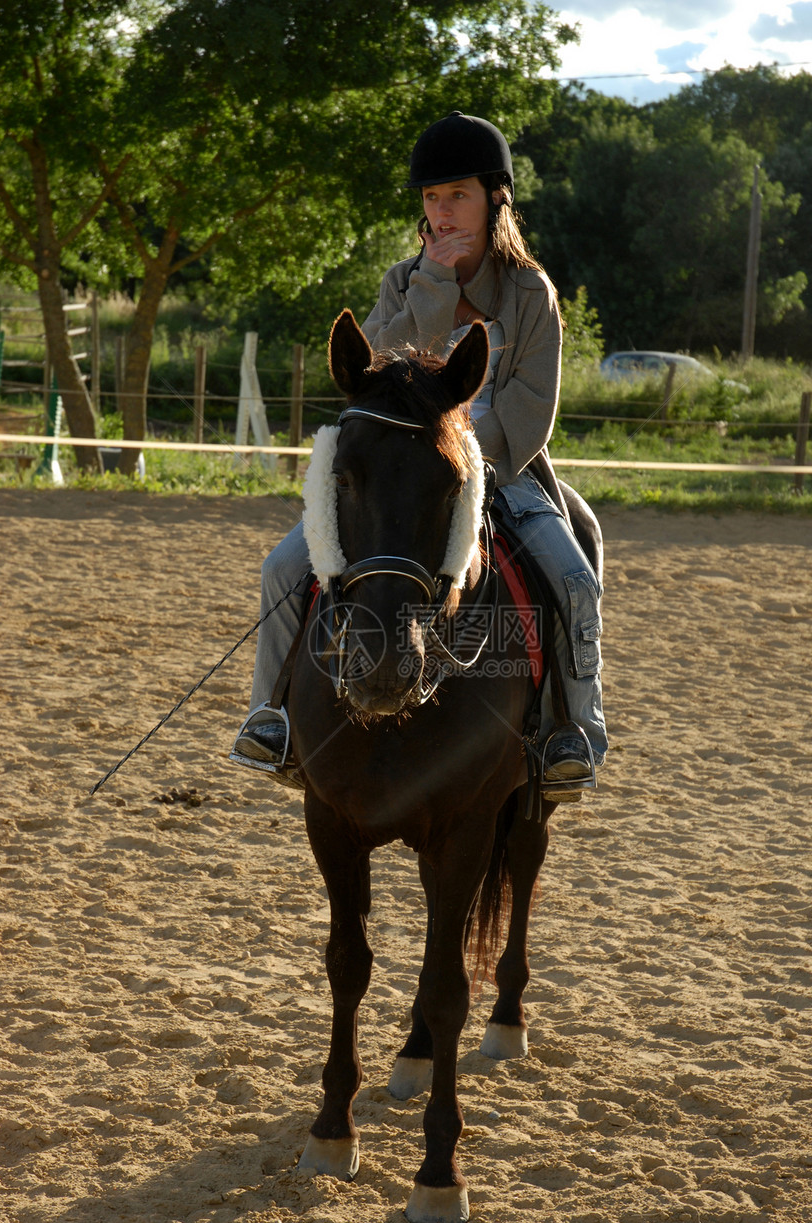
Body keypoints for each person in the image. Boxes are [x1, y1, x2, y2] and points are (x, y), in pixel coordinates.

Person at [230, 111, 607, 801]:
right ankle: (272, 716)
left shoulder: (531, 293)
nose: (440, 211)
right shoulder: (401, 282)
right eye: (431, 198)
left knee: (575, 576)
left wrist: (457, 462)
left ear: (496, 197)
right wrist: (430, 291)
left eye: (456, 194)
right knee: (283, 566)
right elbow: (371, 370)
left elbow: (530, 412)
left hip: (503, 470)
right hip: (396, 474)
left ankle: (571, 729)